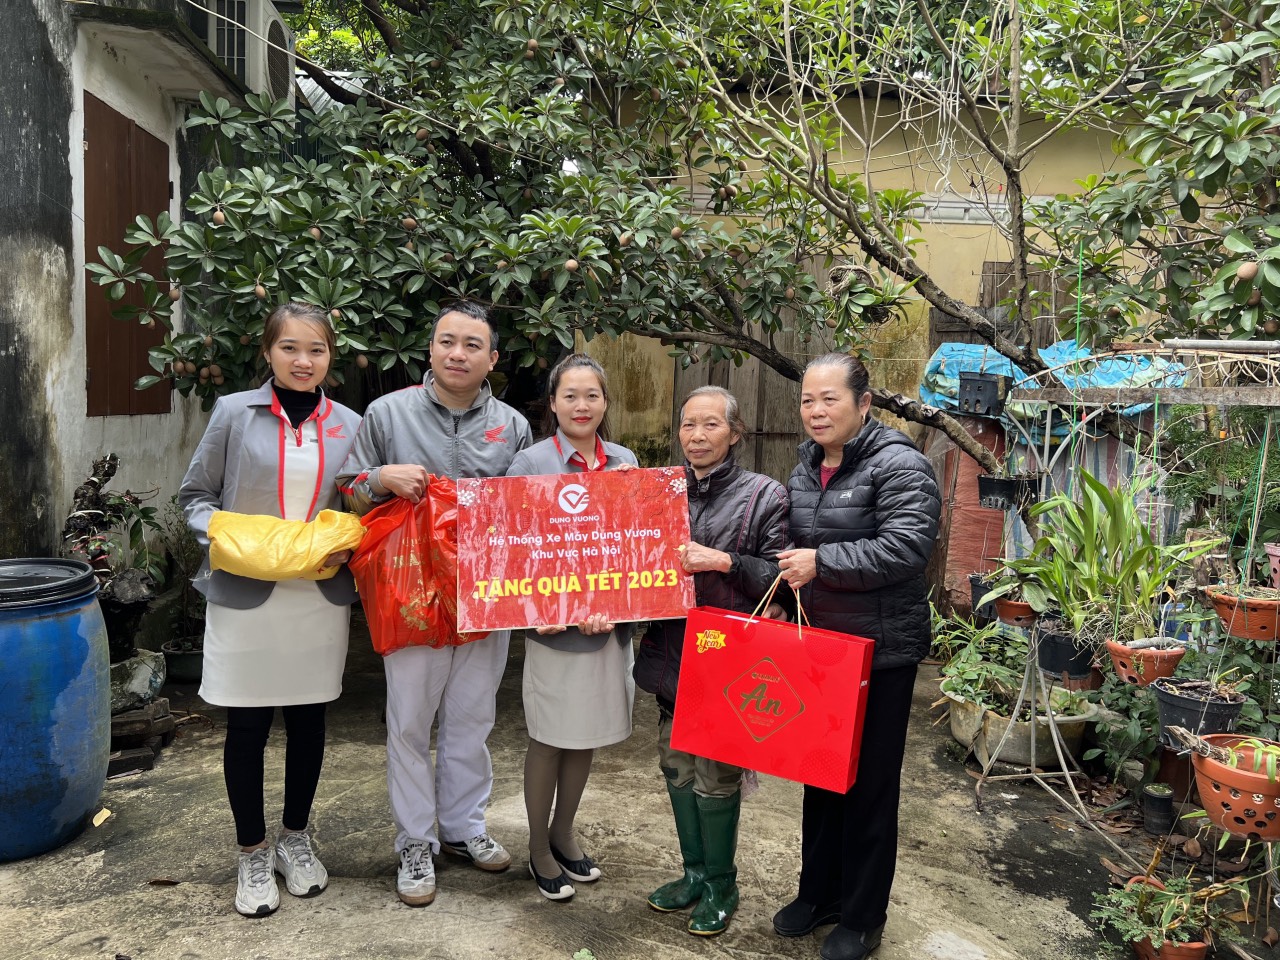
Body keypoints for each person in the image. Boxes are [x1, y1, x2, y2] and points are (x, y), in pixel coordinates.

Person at [335, 300, 532, 907]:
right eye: (447, 341)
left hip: (486, 593)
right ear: (430, 349)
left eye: (473, 345)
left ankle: (463, 827)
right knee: (410, 722)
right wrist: (379, 480)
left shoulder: (513, 426)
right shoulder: (387, 413)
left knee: (473, 719)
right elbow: (347, 492)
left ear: (492, 359)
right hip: (410, 593)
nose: (458, 354)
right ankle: (415, 840)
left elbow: (530, 510)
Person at [179, 302, 364, 917]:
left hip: (317, 595)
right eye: (290, 348)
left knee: (310, 723)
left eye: (316, 350)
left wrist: (352, 542)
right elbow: (195, 496)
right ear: (267, 352)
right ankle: (252, 851)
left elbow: (359, 502)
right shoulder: (234, 412)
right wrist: (234, 542)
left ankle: (294, 838)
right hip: (247, 595)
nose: (303, 361)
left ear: (330, 356)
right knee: (248, 727)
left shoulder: (349, 423)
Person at [773, 354, 940, 960]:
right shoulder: (805, 467)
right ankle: (819, 893)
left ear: (864, 403)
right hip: (821, 650)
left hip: (879, 655)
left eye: (830, 399)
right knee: (820, 776)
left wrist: (823, 563)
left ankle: (864, 915)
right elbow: (792, 545)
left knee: (869, 787)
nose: (816, 411)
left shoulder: (900, 465)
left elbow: (906, 548)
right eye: (808, 401)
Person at [633, 385, 789, 936]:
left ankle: (722, 882)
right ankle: (694, 874)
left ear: (735, 432)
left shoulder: (764, 495)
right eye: (688, 425)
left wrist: (723, 561)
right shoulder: (659, 492)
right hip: (671, 653)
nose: (697, 436)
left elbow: (782, 580)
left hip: (729, 660)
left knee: (717, 775)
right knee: (676, 765)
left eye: (711, 425)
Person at [503, 354, 639, 901]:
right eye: (570, 396)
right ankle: (538, 846)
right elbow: (510, 547)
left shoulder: (625, 461)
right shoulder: (530, 463)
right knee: (550, 737)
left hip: (608, 626)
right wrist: (545, 609)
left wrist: (635, 496)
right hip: (553, 629)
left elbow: (636, 544)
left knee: (586, 734)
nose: (582, 406)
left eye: (592, 395)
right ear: (553, 403)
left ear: (605, 402)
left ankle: (564, 831)